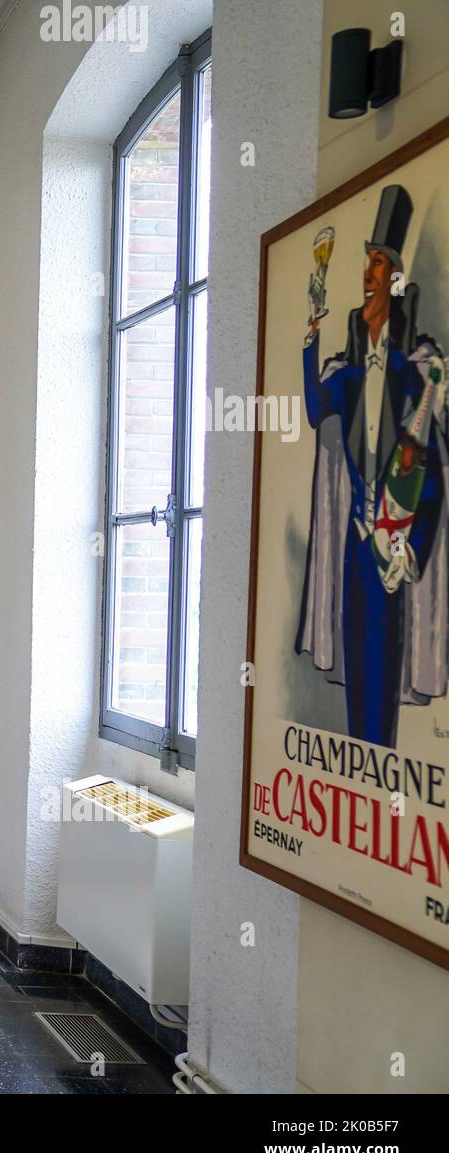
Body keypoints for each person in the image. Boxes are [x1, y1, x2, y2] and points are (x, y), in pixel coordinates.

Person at [296, 183, 448, 747]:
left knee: (384, 670)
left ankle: (380, 769)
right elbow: (314, 410)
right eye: (366, 261)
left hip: (394, 548)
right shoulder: (350, 375)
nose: (367, 271)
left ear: (395, 279)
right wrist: (312, 330)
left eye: (378, 262)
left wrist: (411, 551)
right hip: (358, 543)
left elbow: (427, 472)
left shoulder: (417, 374)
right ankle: (362, 764)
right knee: (357, 669)